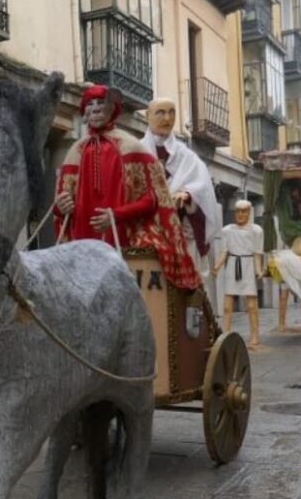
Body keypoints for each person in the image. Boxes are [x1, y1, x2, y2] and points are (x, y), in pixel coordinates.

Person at [54, 85, 199, 290]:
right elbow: (59, 209)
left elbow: (152, 201)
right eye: (90, 104)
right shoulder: (73, 152)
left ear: (112, 109)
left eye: (101, 103)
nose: (95, 109)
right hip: (82, 249)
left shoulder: (132, 147)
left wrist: (116, 215)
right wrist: (61, 205)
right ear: (84, 111)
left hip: (123, 244)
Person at [140, 97, 222, 288]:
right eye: (160, 112)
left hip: (181, 237)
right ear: (147, 115)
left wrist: (188, 195)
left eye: (172, 112)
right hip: (145, 236)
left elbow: (202, 191)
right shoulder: (136, 151)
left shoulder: (188, 158)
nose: (167, 118)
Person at [214, 201, 265, 346]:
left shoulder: (256, 231)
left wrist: (258, 270)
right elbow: (224, 252)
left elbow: (257, 254)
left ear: (249, 213)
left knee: (251, 306)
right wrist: (216, 266)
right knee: (227, 305)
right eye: (238, 211)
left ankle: (255, 336)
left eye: (244, 212)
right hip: (232, 265)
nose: (241, 215)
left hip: (248, 266)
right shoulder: (227, 230)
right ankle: (225, 332)